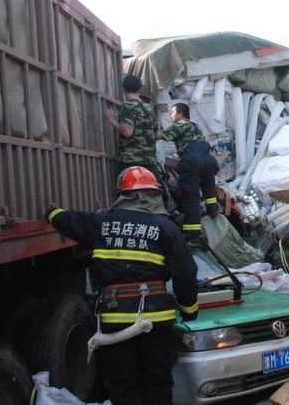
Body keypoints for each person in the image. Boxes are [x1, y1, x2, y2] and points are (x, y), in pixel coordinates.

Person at [46, 166, 198, 405]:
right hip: (156, 320)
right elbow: (186, 273)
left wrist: (51, 212)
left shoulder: (101, 223)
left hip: (115, 320)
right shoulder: (167, 228)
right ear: (155, 194)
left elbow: (70, 220)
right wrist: (189, 310)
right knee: (157, 383)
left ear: (122, 194)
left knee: (122, 385)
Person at [156, 102, 219, 245]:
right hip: (208, 160)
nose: (171, 116)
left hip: (191, 161)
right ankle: (214, 214)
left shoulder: (180, 125)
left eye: (173, 113)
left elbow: (160, 136)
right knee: (209, 192)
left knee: (191, 200)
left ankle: (192, 237)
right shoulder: (196, 127)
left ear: (180, 113)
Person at [105, 75, 158, 178]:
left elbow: (127, 132)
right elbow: (156, 133)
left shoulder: (128, 106)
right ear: (140, 88)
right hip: (150, 162)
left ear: (124, 88)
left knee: (127, 192)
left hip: (131, 161)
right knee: (152, 192)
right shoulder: (149, 108)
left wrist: (111, 120)